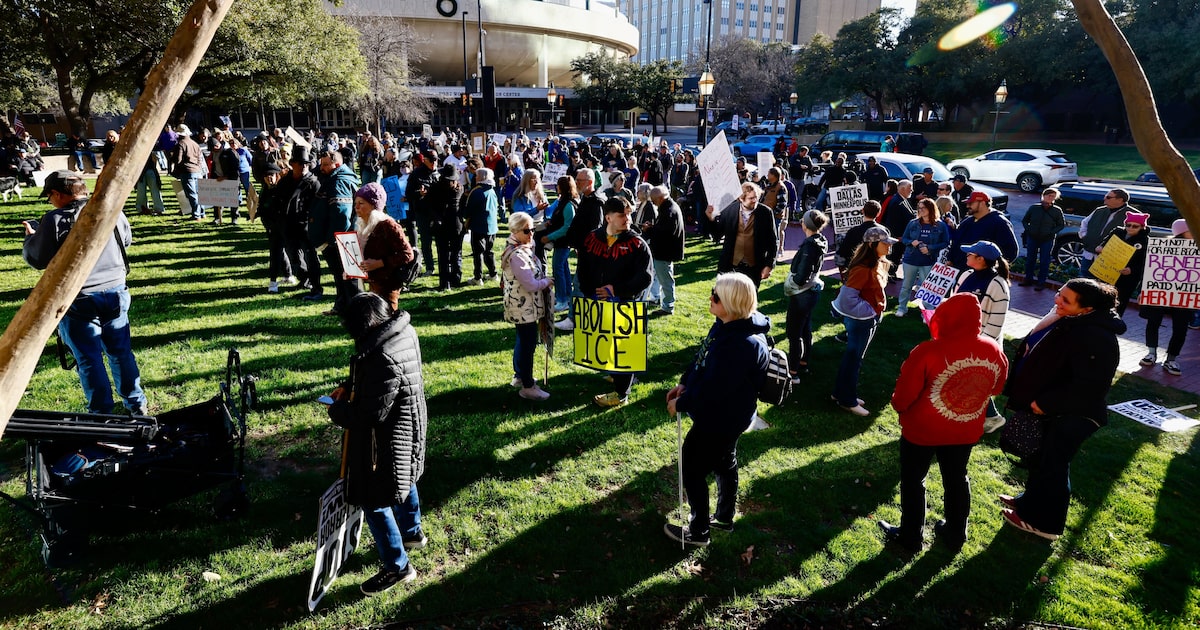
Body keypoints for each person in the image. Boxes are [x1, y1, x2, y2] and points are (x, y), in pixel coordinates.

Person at [877, 293, 1008, 552]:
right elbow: (996, 388)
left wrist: (900, 408)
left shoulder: (927, 351)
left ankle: (910, 536)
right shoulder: (993, 349)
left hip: (922, 430)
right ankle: (956, 532)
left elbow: (902, 397)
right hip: (965, 429)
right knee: (957, 478)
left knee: (914, 480)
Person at [1001, 278, 1125, 541]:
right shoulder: (1070, 321)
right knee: (1039, 459)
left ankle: (1045, 525)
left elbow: (1089, 385)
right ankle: (1028, 503)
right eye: (1059, 293)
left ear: (1087, 309)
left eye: (1065, 300)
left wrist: (1046, 403)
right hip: (1055, 409)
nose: (1057, 300)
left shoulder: (1095, 336)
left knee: (1053, 468)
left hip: (1074, 414)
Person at [324, 292, 428, 595]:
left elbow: (368, 413)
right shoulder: (402, 331)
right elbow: (378, 386)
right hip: (408, 425)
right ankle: (412, 532)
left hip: (386, 438)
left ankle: (397, 566)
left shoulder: (382, 356)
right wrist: (350, 386)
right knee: (405, 475)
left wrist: (335, 410)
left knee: (374, 499)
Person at [22, 171, 148, 415]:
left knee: (89, 359)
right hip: (115, 290)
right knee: (120, 352)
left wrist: (30, 239)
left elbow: (37, 259)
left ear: (57, 194)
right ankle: (136, 403)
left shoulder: (56, 219)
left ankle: (101, 414)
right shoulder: (113, 210)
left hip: (78, 298)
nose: (50, 202)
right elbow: (127, 239)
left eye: (49, 197)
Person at [664, 272, 771, 547]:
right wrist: (684, 382)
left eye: (716, 296)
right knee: (725, 462)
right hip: (727, 414)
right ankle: (724, 517)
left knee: (692, 466)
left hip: (722, 418)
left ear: (733, 304)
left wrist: (682, 404)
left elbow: (714, 390)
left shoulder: (741, 345)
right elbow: (703, 356)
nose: (710, 297)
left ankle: (699, 531)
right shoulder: (725, 324)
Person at [576, 196, 653, 407]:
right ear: (608, 217)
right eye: (622, 215)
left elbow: (645, 277)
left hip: (625, 303)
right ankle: (616, 374)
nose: (627, 218)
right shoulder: (592, 239)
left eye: (629, 214)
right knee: (609, 342)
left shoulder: (637, 244)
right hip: (597, 302)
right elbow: (582, 269)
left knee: (625, 346)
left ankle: (621, 392)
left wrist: (616, 289)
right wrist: (591, 291)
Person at [830, 226, 895, 416]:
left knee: (853, 359)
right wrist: (871, 312)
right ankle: (847, 400)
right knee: (854, 360)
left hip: (866, 319)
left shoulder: (878, 262)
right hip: (861, 321)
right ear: (872, 244)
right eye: (885, 243)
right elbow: (847, 298)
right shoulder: (863, 267)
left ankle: (840, 393)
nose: (889, 247)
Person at [953, 240, 1012, 431]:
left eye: (971, 254)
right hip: (958, 337)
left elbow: (996, 323)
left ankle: (993, 417)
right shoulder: (967, 274)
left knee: (975, 381)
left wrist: (978, 345)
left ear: (981, 259)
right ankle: (971, 412)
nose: (967, 255)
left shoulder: (999, 285)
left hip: (980, 343)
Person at [501, 212, 554, 401]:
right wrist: (546, 282)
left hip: (525, 307)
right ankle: (528, 386)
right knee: (527, 344)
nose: (531, 233)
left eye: (533, 229)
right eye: (527, 230)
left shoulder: (522, 247)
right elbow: (530, 284)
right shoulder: (517, 254)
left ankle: (521, 376)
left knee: (524, 342)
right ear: (515, 230)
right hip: (523, 308)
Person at [1140, 219, 1195, 375]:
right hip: (1160, 292)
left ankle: (1171, 359)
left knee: (1181, 328)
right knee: (1153, 321)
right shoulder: (1162, 247)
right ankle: (1151, 353)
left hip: (1185, 294)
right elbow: (1150, 271)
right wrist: (1144, 291)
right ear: (1181, 232)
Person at [310, 151, 361, 316]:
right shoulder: (333, 179)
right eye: (321, 163)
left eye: (325, 164)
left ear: (336, 165)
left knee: (350, 277)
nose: (322, 167)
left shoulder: (339, 182)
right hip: (341, 237)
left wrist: (331, 240)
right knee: (341, 276)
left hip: (342, 237)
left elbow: (341, 214)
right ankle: (342, 306)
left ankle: (357, 312)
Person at [354, 183, 416, 310]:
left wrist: (380, 263)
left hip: (388, 283)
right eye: (356, 203)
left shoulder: (388, 225)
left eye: (361, 203)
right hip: (373, 282)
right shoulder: (362, 226)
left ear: (373, 205)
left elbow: (407, 254)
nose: (356, 207)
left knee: (388, 321)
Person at [706, 182, 778, 289]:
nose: (755, 201)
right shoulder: (730, 210)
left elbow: (773, 242)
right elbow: (717, 235)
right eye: (751, 198)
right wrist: (711, 219)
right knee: (727, 300)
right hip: (730, 266)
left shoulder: (765, 212)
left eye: (756, 197)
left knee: (748, 302)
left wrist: (769, 265)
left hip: (753, 268)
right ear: (741, 199)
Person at [785, 210, 828, 384]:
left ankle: (793, 372)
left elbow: (802, 275)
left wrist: (793, 280)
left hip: (802, 294)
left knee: (794, 333)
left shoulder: (809, 246)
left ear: (805, 225)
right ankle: (803, 362)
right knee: (805, 329)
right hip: (811, 293)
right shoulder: (820, 240)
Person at [895, 198, 951, 317]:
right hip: (911, 259)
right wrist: (912, 242)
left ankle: (927, 312)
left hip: (928, 260)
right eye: (919, 208)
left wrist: (930, 248)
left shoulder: (940, 225)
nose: (920, 210)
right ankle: (902, 308)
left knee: (928, 288)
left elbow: (946, 242)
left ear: (931, 209)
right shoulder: (913, 223)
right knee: (906, 285)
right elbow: (904, 239)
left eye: (923, 208)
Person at [1093, 210, 1150, 315]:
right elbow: (1104, 243)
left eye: (1135, 226)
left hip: (1126, 279)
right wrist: (1100, 247)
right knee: (1100, 297)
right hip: (1107, 272)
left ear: (1142, 227)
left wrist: (1132, 270)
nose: (1130, 228)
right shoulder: (1118, 232)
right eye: (1128, 225)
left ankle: (1113, 323)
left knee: (1119, 302)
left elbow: (1145, 262)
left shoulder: (1145, 241)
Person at [947, 191, 1019, 271]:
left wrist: (993, 268)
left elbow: (1011, 251)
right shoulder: (967, 221)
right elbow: (956, 241)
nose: (967, 206)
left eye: (971, 203)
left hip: (980, 274)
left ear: (982, 203)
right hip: (959, 271)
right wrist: (950, 259)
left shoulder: (999, 223)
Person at [643, 185, 685, 315]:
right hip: (666, 250)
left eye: (654, 200)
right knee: (663, 277)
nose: (654, 203)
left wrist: (649, 229)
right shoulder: (669, 207)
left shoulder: (669, 211)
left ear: (660, 198)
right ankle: (663, 302)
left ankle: (668, 306)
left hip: (664, 251)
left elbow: (664, 233)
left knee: (666, 279)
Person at [540, 176, 578, 313]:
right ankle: (567, 296)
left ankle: (562, 299)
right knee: (564, 269)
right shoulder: (562, 201)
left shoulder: (568, 204)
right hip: (561, 242)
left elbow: (567, 227)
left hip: (564, 242)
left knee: (558, 269)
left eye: (558, 185)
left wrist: (549, 237)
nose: (556, 187)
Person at [1077, 188, 1133, 276]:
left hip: (1110, 260)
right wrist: (1085, 237)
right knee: (1082, 280)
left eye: (1108, 197)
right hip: (1089, 253)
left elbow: (1134, 237)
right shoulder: (1099, 210)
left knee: (1101, 285)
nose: (1105, 199)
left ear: (1120, 200)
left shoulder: (1132, 215)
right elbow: (1084, 223)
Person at [1021, 188, 1067, 290]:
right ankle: (1028, 279)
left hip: (1047, 239)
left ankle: (1041, 282)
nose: (1051, 198)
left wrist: (1051, 232)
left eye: (1053, 196)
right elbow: (1025, 220)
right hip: (1032, 237)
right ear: (1044, 195)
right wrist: (1029, 230)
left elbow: (1061, 225)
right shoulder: (1034, 208)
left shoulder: (1056, 210)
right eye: (1049, 195)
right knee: (1030, 259)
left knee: (1044, 261)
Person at [428, 164, 464, 291]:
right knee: (456, 253)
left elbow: (430, 204)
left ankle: (444, 283)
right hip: (456, 224)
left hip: (441, 224)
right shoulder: (459, 189)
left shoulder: (435, 188)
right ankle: (456, 279)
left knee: (443, 255)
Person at [463, 167, 499, 285]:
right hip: (492, 226)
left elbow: (469, 210)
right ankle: (493, 273)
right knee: (489, 251)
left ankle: (478, 277)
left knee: (478, 253)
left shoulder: (476, 191)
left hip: (479, 225)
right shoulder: (492, 190)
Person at [170, 124, 205, 220]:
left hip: (187, 171)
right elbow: (200, 158)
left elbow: (178, 159)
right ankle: (202, 213)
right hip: (198, 170)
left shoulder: (180, 144)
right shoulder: (195, 144)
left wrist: (172, 158)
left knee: (192, 194)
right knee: (198, 193)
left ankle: (196, 215)